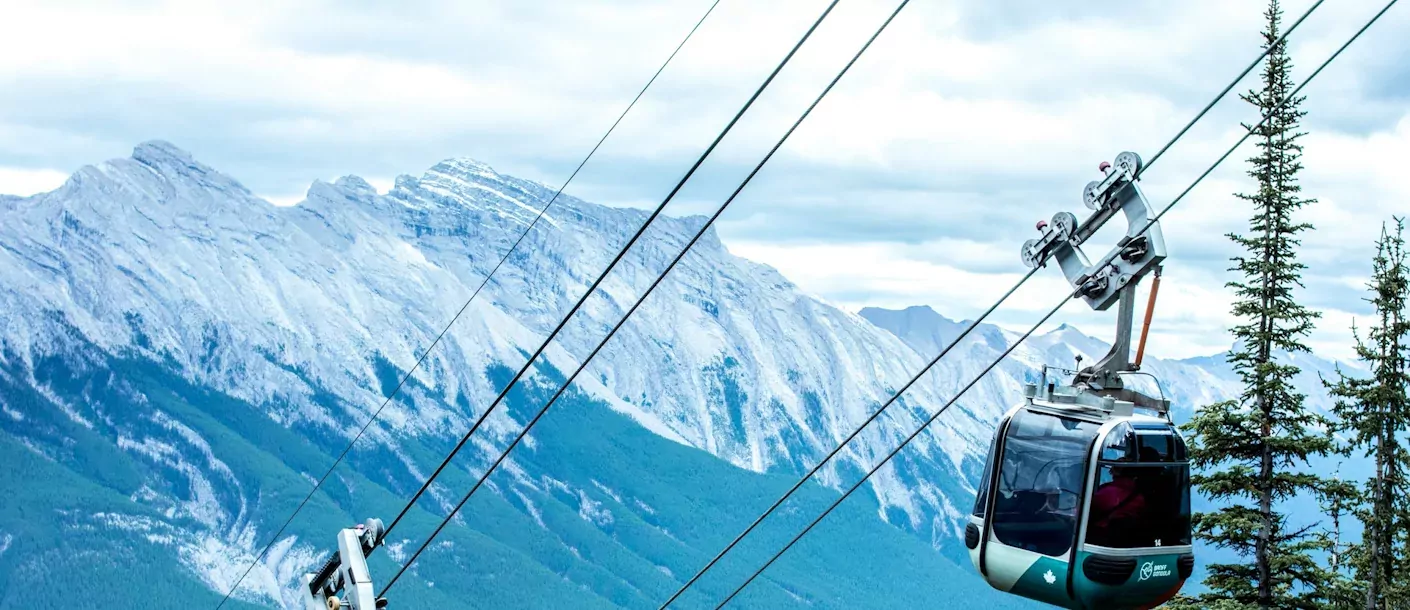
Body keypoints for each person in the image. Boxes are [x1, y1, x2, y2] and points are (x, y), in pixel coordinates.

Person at [1089, 466, 1146, 546]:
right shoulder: (1140, 496)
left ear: (1114, 474)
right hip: (1130, 538)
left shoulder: (1105, 492)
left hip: (1103, 536)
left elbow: (1089, 509)